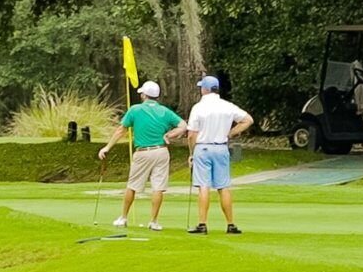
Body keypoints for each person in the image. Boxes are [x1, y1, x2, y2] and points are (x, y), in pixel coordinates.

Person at [100, 79, 184, 230]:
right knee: (158, 187)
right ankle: (153, 221)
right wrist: (170, 135)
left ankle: (123, 218)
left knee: (132, 185)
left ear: (145, 95)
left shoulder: (135, 109)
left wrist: (107, 147)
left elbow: (121, 130)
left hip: (143, 152)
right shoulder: (165, 111)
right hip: (161, 151)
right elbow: (183, 126)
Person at [184, 73, 254, 234]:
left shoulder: (198, 107)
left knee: (203, 186)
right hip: (221, 148)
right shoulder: (227, 106)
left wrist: (192, 153)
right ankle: (230, 224)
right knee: (223, 187)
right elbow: (248, 120)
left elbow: (191, 134)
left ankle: (202, 224)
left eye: (202, 87)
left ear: (206, 90)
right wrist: (230, 133)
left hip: (203, 147)